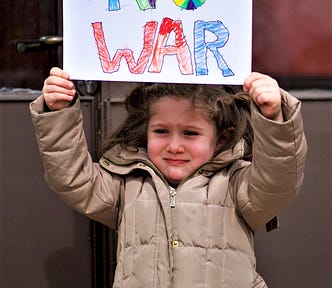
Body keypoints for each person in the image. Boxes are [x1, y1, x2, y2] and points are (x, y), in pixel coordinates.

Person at [30, 67, 307, 288]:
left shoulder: (235, 184)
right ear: (145, 131)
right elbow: (73, 178)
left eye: (190, 133)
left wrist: (274, 117)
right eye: (161, 131)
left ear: (221, 137)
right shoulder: (127, 184)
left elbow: (278, 182)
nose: (175, 146)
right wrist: (59, 114)